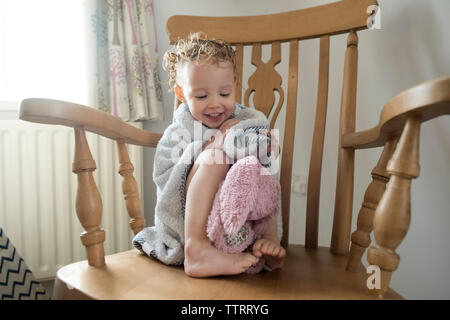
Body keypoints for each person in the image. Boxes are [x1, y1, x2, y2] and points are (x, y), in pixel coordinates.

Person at [133, 33, 285, 277]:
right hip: (194, 222)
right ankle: (198, 250)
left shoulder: (249, 121)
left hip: (237, 221)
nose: (215, 104)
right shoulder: (178, 133)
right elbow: (165, 179)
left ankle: (267, 238)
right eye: (202, 96)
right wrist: (213, 146)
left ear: (235, 87)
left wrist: (262, 147)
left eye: (224, 94)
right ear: (182, 94)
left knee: (265, 164)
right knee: (216, 157)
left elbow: (265, 157)